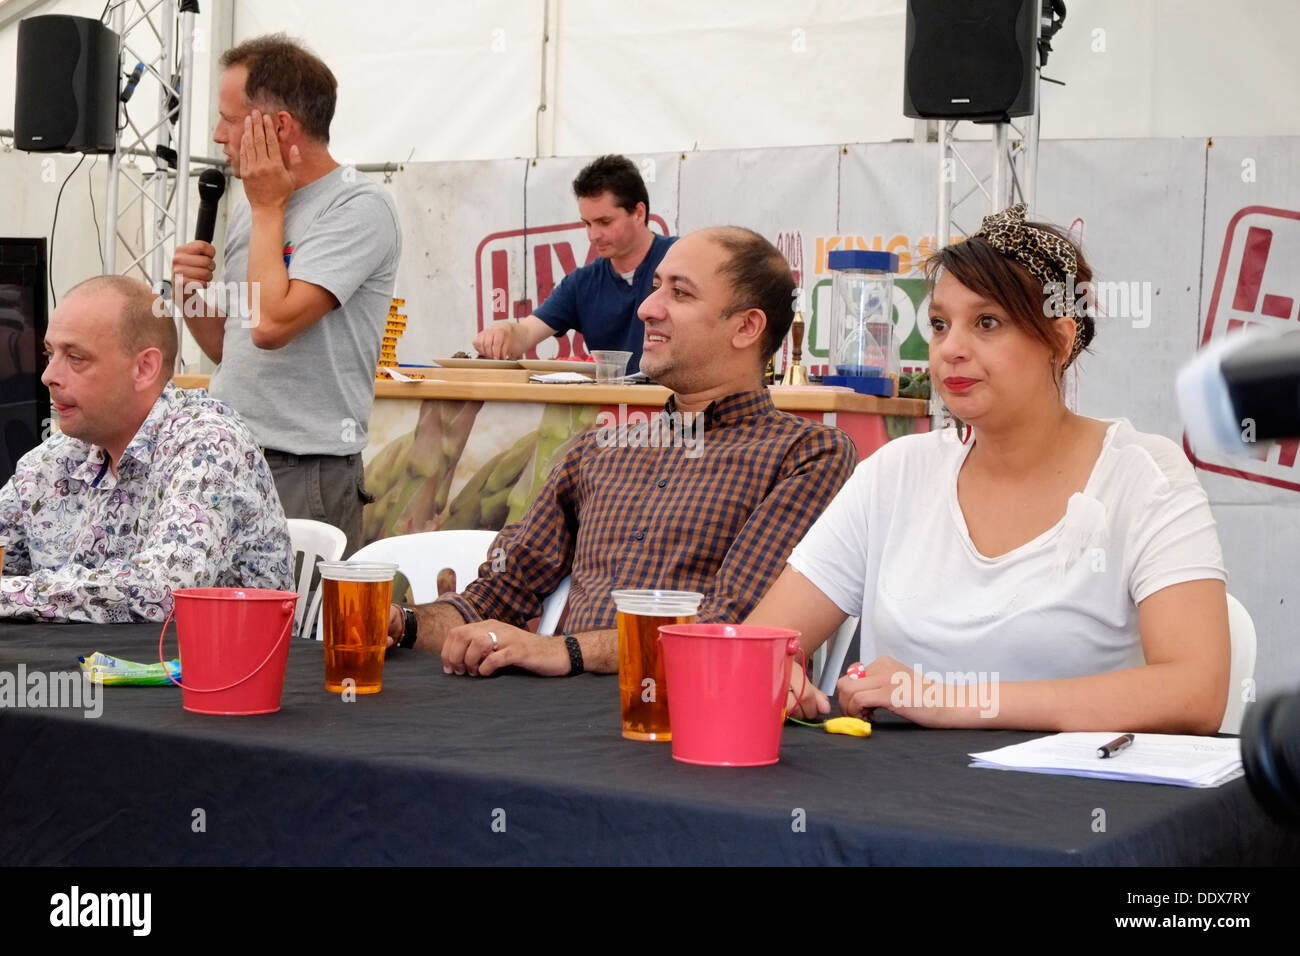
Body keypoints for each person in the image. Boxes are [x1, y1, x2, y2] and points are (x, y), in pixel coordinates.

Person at [750, 204, 1230, 734]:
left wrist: (954, 701)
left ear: (1060, 340)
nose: (951, 349)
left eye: (987, 323)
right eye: (939, 324)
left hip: (1074, 803)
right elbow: (759, 644)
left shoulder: (1143, 475)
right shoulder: (897, 472)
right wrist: (773, 674)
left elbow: (1194, 693)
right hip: (894, 802)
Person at [392, 227, 857, 678]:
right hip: (560, 720)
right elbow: (496, 595)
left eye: (680, 293)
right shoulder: (599, 448)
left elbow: (730, 628)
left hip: (693, 718)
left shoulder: (807, 454)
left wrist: (562, 651)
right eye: (655, 287)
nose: (648, 309)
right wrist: (401, 624)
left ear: (746, 327)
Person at [171, 34, 401, 555]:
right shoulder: (257, 206)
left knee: (300, 636)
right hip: (231, 456)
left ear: (278, 126)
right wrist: (188, 294)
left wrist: (269, 208)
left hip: (306, 473)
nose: (218, 134)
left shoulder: (359, 207)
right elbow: (234, 348)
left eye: (230, 119)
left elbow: (272, 328)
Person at [0, 276, 292, 623]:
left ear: (144, 368)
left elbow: (165, 589)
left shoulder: (210, 444)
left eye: (75, 357)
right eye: (51, 353)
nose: (48, 375)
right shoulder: (56, 457)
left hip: (213, 673)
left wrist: (14, 594)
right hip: (92, 670)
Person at [473, 154, 673, 372]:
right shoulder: (582, 283)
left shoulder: (680, 259)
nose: (593, 235)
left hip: (676, 403)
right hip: (610, 404)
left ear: (639, 213)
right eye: (587, 223)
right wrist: (504, 332)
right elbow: (527, 333)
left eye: (604, 222)